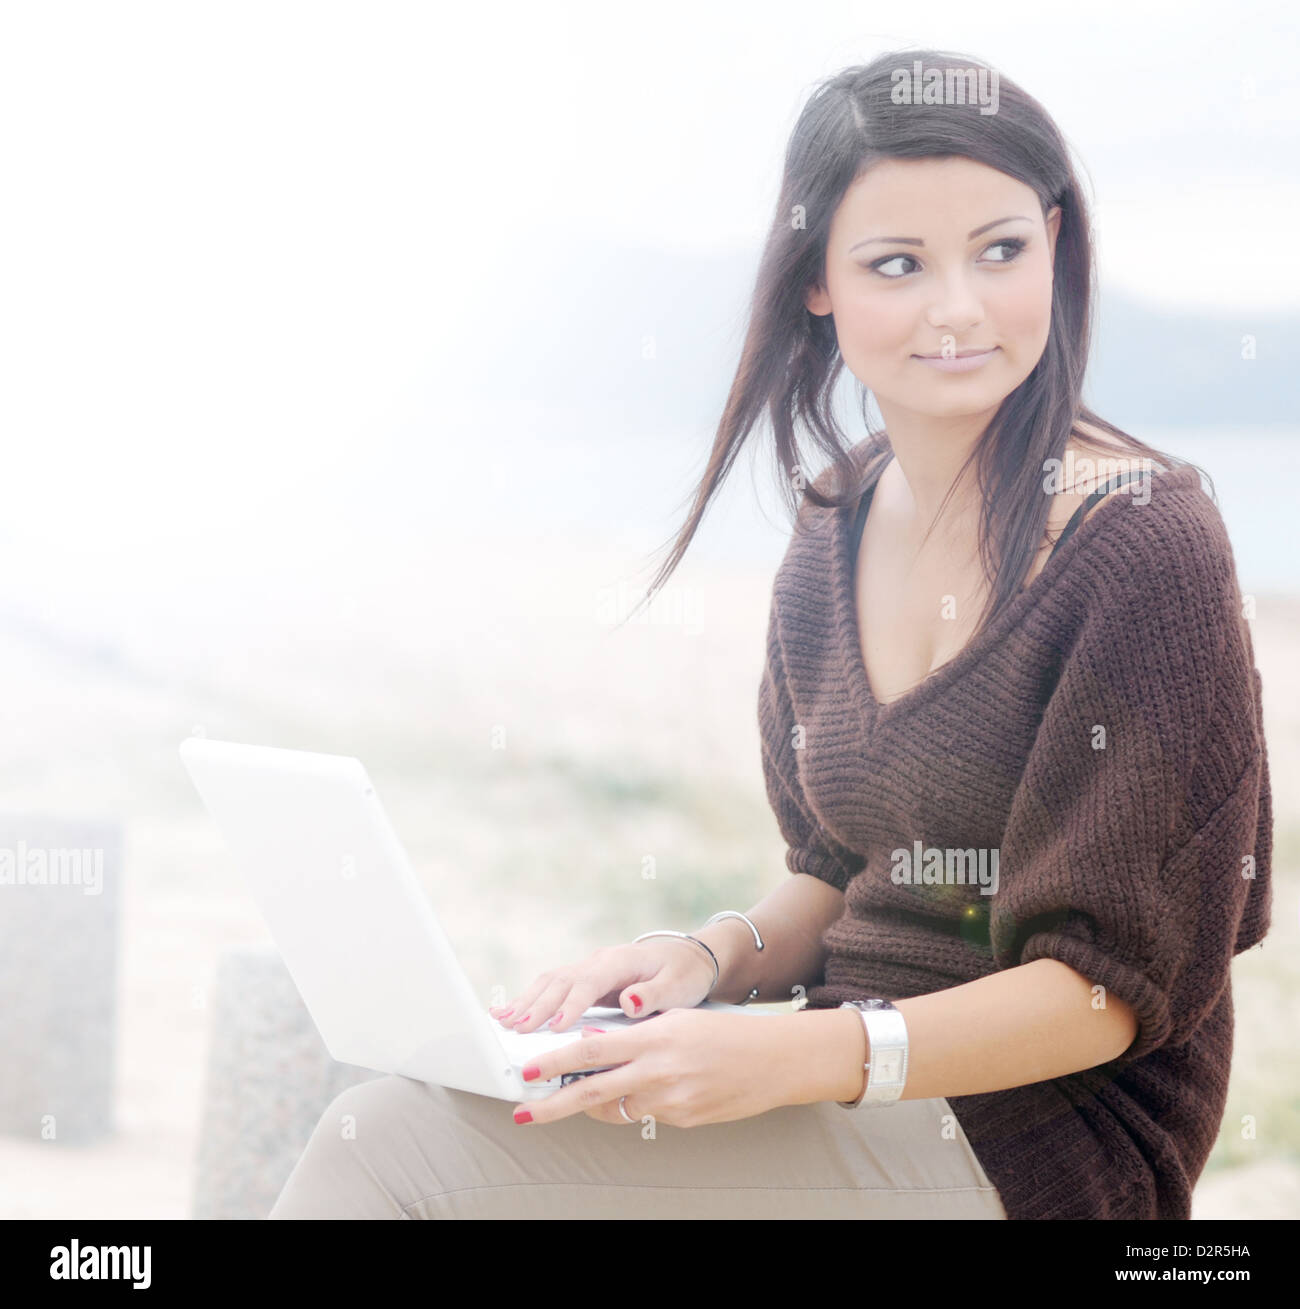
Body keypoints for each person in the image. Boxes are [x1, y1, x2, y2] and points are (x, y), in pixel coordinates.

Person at [268, 48, 1271, 1221]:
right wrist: (708, 961)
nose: (958, 307)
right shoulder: (833, 528)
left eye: (999, 250)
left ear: (1054, 243)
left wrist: (789, 1059)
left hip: (1042, 1149)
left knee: (388, 1147)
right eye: (897, 265)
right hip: (852, 1082)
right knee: (441, 1109)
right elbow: (844, 874)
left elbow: (1104, 994)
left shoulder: (1146, 546)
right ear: (818, 283)